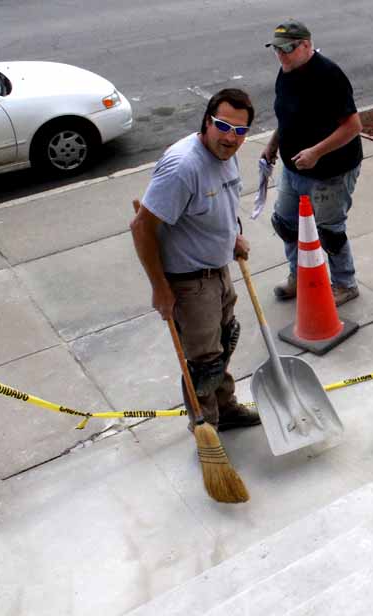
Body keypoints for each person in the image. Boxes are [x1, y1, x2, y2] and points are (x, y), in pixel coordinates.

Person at [130, 88, 261, 432]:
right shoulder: (182, 168)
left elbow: (225, 201)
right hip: (189, 282)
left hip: (219, 269)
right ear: (207, 122)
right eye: (223, 126)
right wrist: (160, 289)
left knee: (224, 341)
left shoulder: (226, 153)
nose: (231, 137)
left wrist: (234, 236)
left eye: (240, 130)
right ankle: (207, 430)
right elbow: (141, 227)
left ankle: (225, 407)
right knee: (204, 364)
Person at [262, 19, 363, 306]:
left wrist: (317, 152)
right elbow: (287, 117)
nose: (281, 55)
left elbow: (353, 126)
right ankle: (298, 276)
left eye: (287, 49)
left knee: (329, 231)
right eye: (277, 50)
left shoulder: (328, 75)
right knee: (285, 223)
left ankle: (345, 284)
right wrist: (272, 145)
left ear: (306, 45)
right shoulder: (286, 72)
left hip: (331, 171)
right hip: (294, 167)